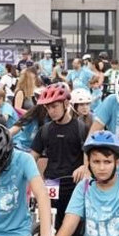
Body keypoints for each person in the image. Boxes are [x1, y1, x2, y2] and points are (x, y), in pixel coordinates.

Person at [30, 82, 87, 228]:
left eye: (54, 106)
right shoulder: (45, 130)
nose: (51, 111)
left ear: (66, 103)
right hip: (51, 185)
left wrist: (84, 167)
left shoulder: (81, 129)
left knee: (74, 229)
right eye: (48, 108)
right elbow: (31, 159)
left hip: (74, 186)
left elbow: (92, 158)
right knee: (49, 227)